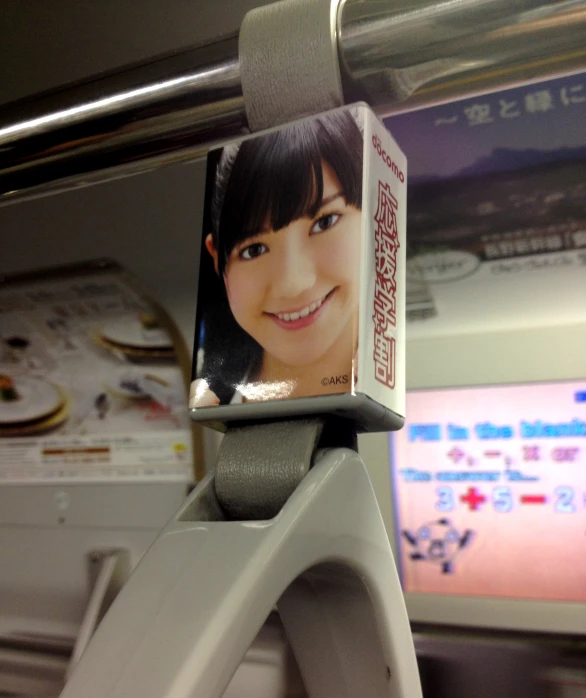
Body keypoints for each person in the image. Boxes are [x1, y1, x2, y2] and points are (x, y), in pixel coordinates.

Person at [190, 109, 363, 408]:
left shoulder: (394, 373)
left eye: (325, 222)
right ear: (217, 261)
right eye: (253, 249)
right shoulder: (209, 396)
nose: (293, 284)